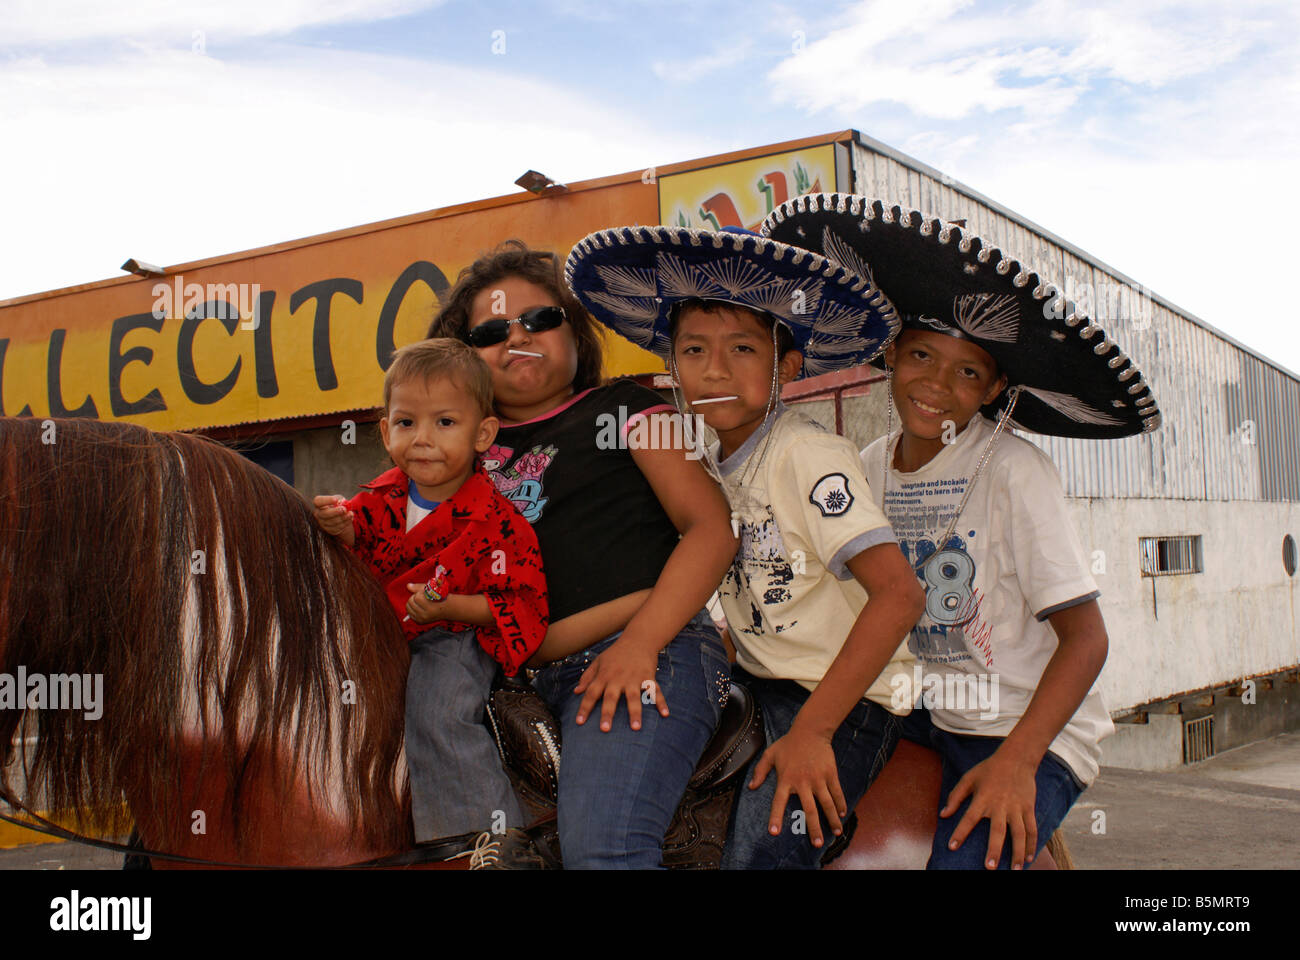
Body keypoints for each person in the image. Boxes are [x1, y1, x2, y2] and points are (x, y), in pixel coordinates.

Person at [762, 192, 1161, 869]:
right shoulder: (864, 469)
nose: (937, 384)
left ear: (993, 387)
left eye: (967, 371)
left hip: (1017, 725)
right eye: (921, 357)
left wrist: (1019, 763)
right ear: (890, 355)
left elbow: (1087, 639)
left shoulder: (1014, 471)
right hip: (923, 706)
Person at [566, 224, 925, 869]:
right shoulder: (702, 458)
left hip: (845, 699)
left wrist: (815, 730)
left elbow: (901, 595)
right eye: (694, 350)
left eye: (743, 349)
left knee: (763, 851)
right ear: (671, 366)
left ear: (785, 364)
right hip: (758, 682)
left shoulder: (809, 455)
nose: (715, 370)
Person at [427, 240, 737, 869]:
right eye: (490, 331)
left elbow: (711, 528)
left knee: (605, 851)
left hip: (650, 653)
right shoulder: (457, 450)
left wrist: (640, 643)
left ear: (575, 331)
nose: (517, 339)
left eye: (539, 320)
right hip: (510, 679)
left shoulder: (627, 408)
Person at [313, 338, 548, 867]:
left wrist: (449, 609)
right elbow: (359, 536)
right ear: (385, 430)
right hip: (377, 635)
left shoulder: (499, 522)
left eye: (444, 422)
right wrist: (338, 525)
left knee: (436, 711)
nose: (422, 440)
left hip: (453, 639)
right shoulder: (377, 499)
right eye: (406, 423)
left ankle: (489, 841)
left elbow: (519, 604)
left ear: (483, 433)